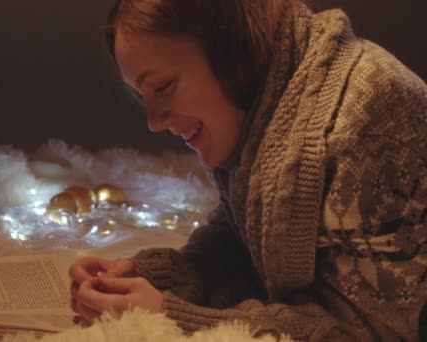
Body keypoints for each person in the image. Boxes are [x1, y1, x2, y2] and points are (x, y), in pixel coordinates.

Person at [69, 0, 427, 340]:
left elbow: (374, 330)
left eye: (163, 86)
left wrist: (169, 316)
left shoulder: (365, 116)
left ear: (229, 50)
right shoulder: (262, 107)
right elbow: (246, 238)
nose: (154, 121)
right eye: (141, 96)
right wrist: (153, 277)